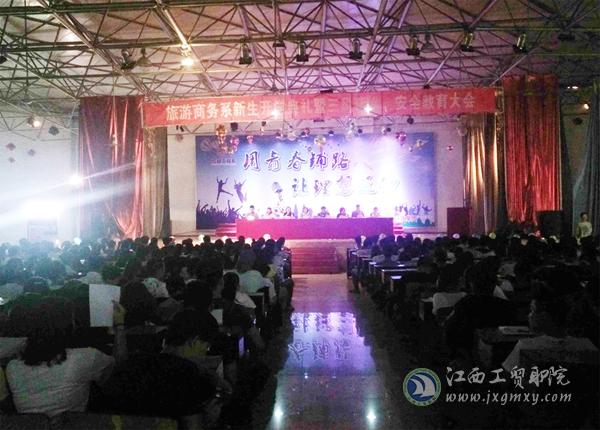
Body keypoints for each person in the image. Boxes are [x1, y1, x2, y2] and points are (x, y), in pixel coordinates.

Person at [6, 297, 126, 418]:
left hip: (29, 426)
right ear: (69, 326)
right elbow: (119, 362)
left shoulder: (12, 367)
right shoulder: (83, 358)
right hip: (74, 424)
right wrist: (119, 325)